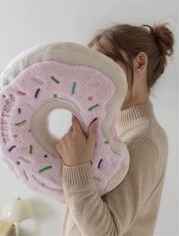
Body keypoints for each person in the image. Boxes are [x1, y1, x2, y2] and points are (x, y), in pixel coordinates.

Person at [55, 22, 174, 236]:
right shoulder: (110, 124)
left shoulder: (142, 141)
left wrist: (76, 167)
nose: (96, 76)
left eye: (104, 62)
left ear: (140, 63)